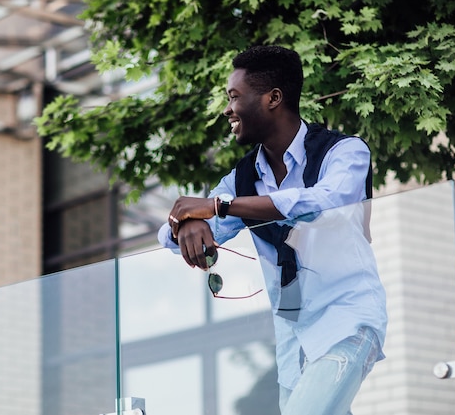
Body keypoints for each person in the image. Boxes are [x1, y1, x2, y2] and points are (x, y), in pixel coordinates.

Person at [158, 45, 387, 415]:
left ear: (273, 98)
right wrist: (188, 222)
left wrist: (219, 206)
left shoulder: (345, 153)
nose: (226, 109)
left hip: (346, 321)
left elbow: (326, 200)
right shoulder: (243, 178)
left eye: (234, 97)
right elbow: (166, 237)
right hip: (291, 345)